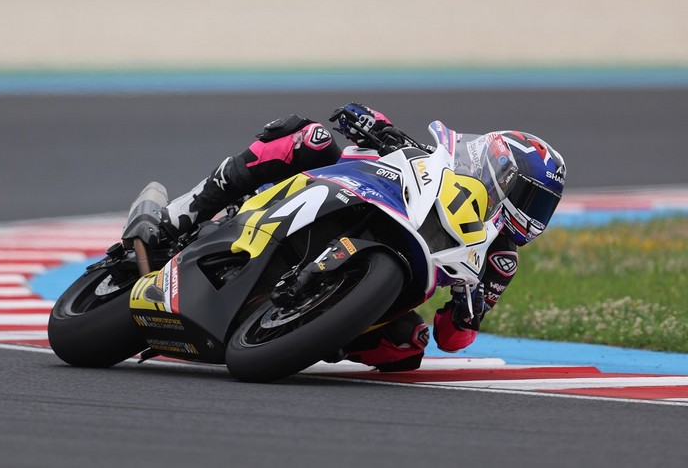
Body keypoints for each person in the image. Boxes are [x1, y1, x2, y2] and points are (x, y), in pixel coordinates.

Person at [144, 103, 566, 372]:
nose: (531, 213)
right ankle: (178, 217)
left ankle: (311, 330)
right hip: (345, 193)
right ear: (499, 172)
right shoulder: (439, 161)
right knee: (310, 137)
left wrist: (467, 313)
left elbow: (451, 340)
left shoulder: (499, 258)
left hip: (396, 269)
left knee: (407, 349)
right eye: (529, 197)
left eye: (543, 206)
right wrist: (370, 122)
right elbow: (367, 122)